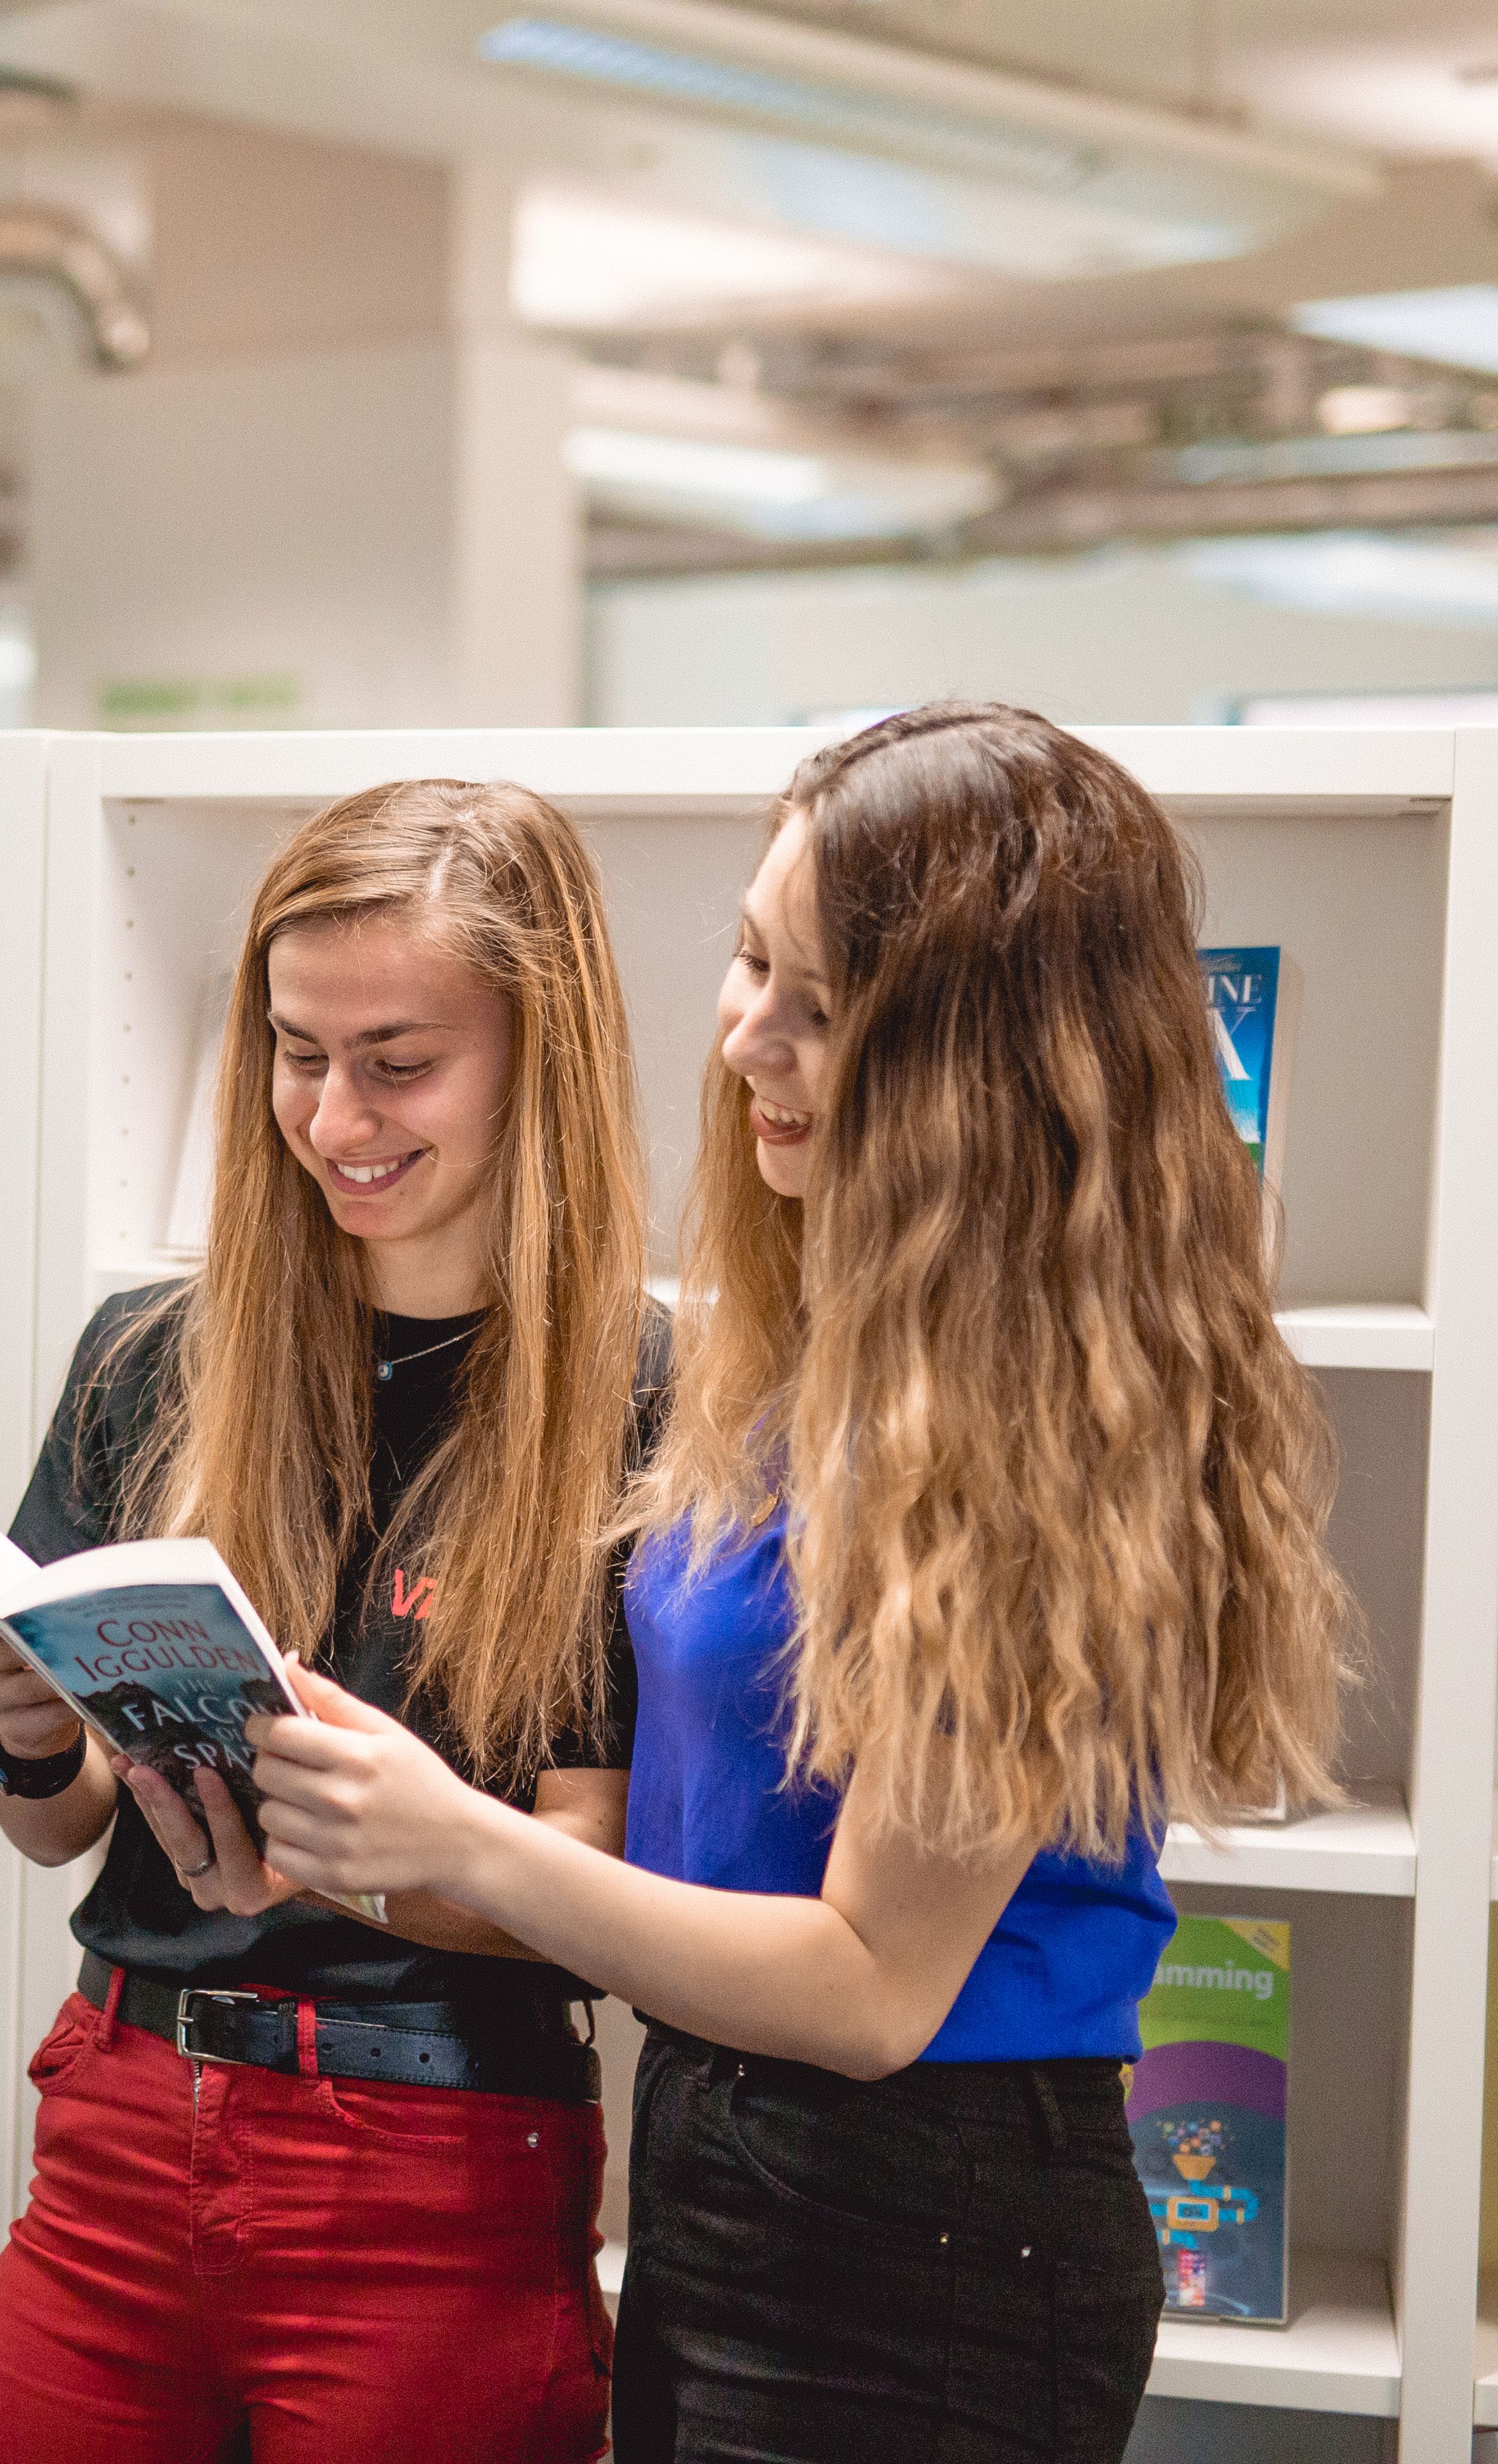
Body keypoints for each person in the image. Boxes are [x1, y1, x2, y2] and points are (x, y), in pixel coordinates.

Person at [243, 704, 1351, 2463]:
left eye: (824, 1006)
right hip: (728, 2167)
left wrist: (460, 1842)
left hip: (928, 2228)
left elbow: (866, 1985)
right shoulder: (827, 1348)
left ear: (983, 1061)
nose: (751, 1034)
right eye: (752, 961)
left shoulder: (1031, 1420)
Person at [0, 780, 657, 2463]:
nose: (334, 1118)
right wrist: (30, 1733)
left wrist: (403, 1851)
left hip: (435, 2166)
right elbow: (59, 1835)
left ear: (539, 1058)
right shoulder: (149, 1356)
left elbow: (605, 1886)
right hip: (117, 2118)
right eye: (293, 1051)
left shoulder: (645, 1404)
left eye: (399, 1061)